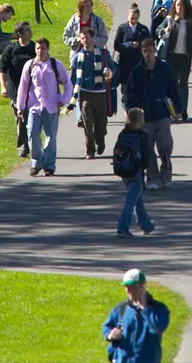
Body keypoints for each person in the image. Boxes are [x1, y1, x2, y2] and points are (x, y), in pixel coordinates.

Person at [125, 37, 184, 189]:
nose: (147, 54)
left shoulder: (164, 68)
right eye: (144, 51)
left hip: (163, 114)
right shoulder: (137, 72)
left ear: (155, 50)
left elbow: (173, 89)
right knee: (148, 148)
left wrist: (178, 108)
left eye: (149, 51)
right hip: (145, 118)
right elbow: (130, 95)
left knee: (165, 146)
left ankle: (166, 170)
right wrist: (133, 111)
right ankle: (153, 178)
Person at [17, 37, 72, 176]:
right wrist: (20, 106)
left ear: (47, 49)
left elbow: (67, 84)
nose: (39, 51)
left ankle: (49, 165)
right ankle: (36, 163)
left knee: (50, 137)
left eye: (42, 48)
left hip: (51, 107)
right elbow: (22, 87)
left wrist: (64, 100)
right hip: (34, 107)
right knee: (32, 134)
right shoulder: (29, 65)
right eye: (37, 48)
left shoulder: (55, 65)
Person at [102, 268, 170, 362]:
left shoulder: (158, 309)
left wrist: (144, 307)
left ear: (143, 286)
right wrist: (110, 335)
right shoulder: (120, 309)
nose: (129, 290)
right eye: (127, 286)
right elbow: (107, 326)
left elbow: (158, 327)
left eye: (133, 286)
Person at [71, 24, 116, 159]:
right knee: (87, 123)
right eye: (82, 38)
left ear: (93, 38)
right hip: (85, 93)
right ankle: (90, 150)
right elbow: (73, 77)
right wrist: (74, 92)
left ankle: (100, 140)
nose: (84, 40)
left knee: (101, 123)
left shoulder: (103, 53)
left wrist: (109, 72)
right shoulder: (77, 57)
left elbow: (113, 68)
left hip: (100, 93)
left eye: (86, 38)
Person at [112, 109, 155, 238]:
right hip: (136, 171)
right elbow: (147, 155)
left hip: (124, 170)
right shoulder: (142, 135)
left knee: (137, 199)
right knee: (131, 201)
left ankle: (146, 225)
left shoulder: (123, 133)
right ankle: (122, 227)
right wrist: (145, 168)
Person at [159, 0, 192, 119]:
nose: (179, 7)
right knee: (172, 84)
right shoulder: (170, 20)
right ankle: (172, 110)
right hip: (172, 56)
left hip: (186, 57)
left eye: (182, 5)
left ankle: (183, 110)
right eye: (177, 5)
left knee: (183, 84)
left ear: (186, 7)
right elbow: (158, 30)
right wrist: (164, 31)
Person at [0, 22, 37, 157]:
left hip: (33, 90)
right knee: (21, 119)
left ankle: (33, 146)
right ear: (20, 34)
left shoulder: (35, 49)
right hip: (15, 90)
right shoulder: (11, 50)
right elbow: (2, 70)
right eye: (27, 30)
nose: (30, 32)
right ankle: (23, 147)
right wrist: (3, 87)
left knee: (32, 120)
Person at [112, 3, 153, 109]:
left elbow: (149, 44)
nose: (134, 20)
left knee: (139, 91)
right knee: (125, 92)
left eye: (136, 18)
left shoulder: (143, 29)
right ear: (128, 16)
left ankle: (137, 112)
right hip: (125, 64)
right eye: (131, 18)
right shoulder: (122, 28)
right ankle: (128, 112)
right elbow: (117, 46)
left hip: (139, 64)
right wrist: (129, 45)